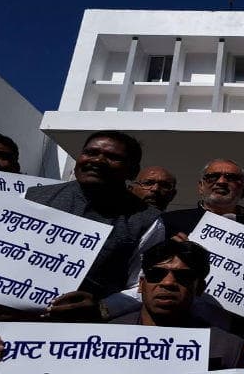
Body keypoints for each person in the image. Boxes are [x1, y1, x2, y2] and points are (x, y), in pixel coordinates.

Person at [111, 159, 244, 347]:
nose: (221, 181)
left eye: (231, 178)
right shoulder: (169, 222)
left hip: (243, 334)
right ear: (200, 186)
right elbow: (140, 276)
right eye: (212, 177)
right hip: (177, 330)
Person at [25, 130, 161, 318]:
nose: (97, 161)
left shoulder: (146, 220)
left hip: (79, 329)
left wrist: (101, 308)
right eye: (90, 153)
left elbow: (142, 286)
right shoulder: (31, 197)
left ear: (132, 171)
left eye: (112, 157)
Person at [108, 239, 244, 370]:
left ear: (200, 288)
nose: (168, 283)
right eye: (156, 274)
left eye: (183, 276)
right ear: (141, 284)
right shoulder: (107, 336)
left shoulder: (225, 349)